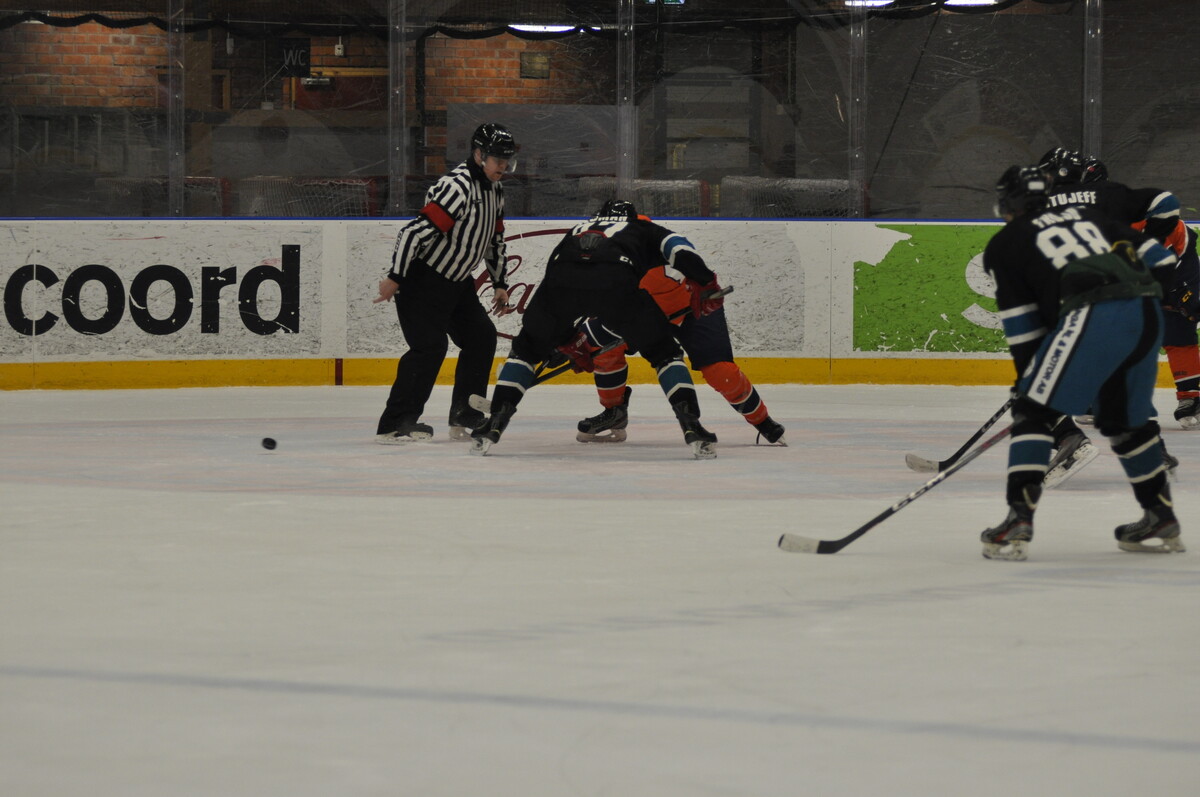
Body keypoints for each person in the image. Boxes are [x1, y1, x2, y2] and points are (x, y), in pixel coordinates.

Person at [979, 165, 1184, 561]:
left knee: (1033, 411)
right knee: (1126, 422)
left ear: (1008, 203)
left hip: (1093, 313)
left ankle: (1017, 521)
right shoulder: (1089, 215)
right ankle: (1160, 517)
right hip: (1146, 314)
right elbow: (1161, 260)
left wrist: (1028, 385)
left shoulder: (1005, 243)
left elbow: (1023, 328)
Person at [469, 199, 723, 459]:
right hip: (616, 282)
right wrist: (707, 282)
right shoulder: (643, 228)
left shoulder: (580, 227)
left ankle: (494, 424)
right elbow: (680, 249)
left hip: (560, 283)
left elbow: (555, 273)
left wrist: (565, 338)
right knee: (665, 354)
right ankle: (692, 426)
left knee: (525, 351)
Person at [373, 122, 515, 444]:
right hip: (422, 280)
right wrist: (396, 277)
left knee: (481, 338)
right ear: (478, 155)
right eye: (498, 159)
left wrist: (500, 283)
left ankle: (465, 413)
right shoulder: (456, 187)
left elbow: (494, 240)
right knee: (429, 348)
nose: (503, 167)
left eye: (507, 161)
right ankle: (395, 423)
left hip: (457, 283)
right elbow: (412, 234)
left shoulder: (495, 191)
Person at [572, 264, 786, 445]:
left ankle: (761, 420)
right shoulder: (603, 259)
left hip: (693, 305)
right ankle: (614, 413)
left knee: (720, 371)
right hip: (646, 312)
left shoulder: (649, 244)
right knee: (604, 350)